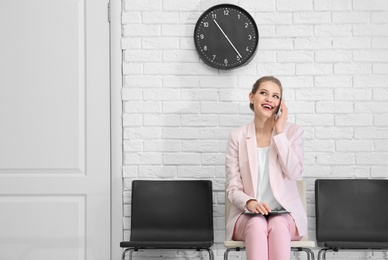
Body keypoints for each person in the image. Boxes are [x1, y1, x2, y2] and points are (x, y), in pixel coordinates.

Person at [225, 76, 307, 260]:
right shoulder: (237, 137)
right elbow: (233, 187)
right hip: (247, 215)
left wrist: (280, 133)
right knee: (257, 223)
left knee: (277, 224)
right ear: (251, 97)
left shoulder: (293, 132)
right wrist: (250, 202)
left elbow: (294, 173)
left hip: (286, 216)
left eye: (275, 96)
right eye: (264, 93)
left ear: (280, 104)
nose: (270, 99)